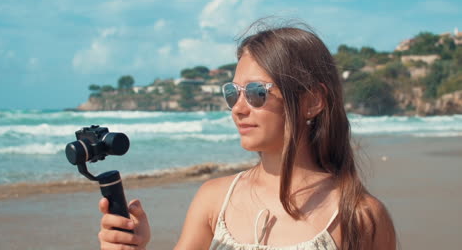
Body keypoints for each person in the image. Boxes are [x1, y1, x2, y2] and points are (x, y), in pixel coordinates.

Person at [97, 21, 396, 250]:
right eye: (232, 93)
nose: (238, 108)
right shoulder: (214, 200)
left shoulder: (360, 217)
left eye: (256, 93)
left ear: (313, 101)